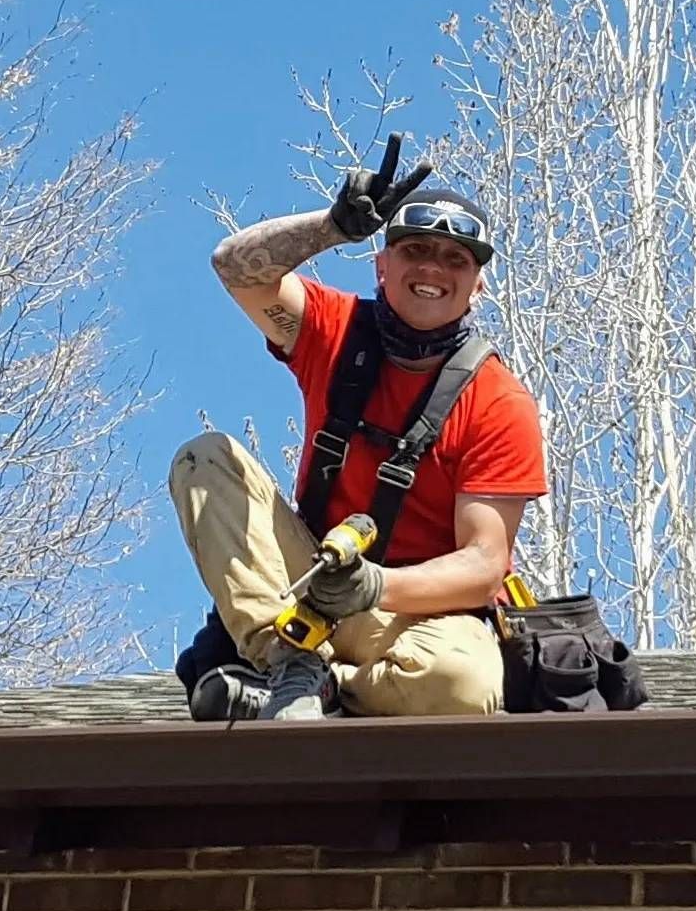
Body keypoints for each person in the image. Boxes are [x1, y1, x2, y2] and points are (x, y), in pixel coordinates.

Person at [169, 134, 548, 721]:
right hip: (302, 593)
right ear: (381, 263)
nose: (432, 269)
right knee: (204, 457)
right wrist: (331, 226)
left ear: (478, 285)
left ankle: (315, 689)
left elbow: (482, 564)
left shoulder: (499, 401)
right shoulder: (335, 330)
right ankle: (284, 663)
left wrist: (374, 587)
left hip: (415, 619)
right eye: (415, 249)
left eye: (456, 259)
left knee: (463, 687)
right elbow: (235, 267)